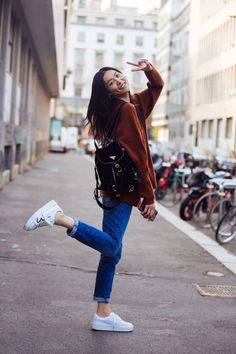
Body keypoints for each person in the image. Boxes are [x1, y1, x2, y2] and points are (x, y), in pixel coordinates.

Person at [24, 59, 164, 332]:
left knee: (111, 254)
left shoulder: (132, 105)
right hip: (124, 190)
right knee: (111, 246)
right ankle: (60, 218)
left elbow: (157, 86)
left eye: (118, 76)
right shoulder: (125, 111)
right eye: (112, 83)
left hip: (115, 187)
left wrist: (148, 69)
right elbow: (138, 157)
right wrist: (149, 196)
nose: (119, 81)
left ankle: (102, 312)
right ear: (109, 92)